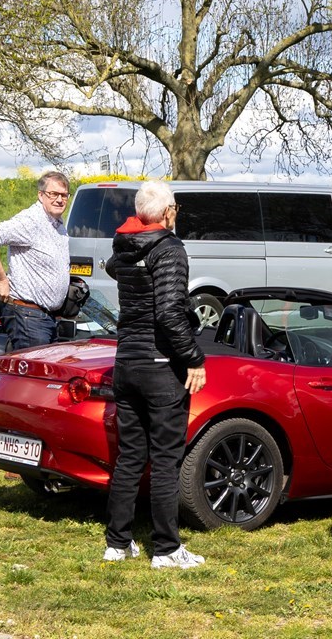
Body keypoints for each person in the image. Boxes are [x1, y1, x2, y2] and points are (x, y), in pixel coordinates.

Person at [102, 180, 207, 570]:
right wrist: (194, 358)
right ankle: (166, 549)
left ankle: (118, 543)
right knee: (165, 459)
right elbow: (169, 312)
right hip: (161, 366)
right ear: (167, 212)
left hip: (126, 362)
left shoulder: (124, 245)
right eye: (175, 207)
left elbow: (114, 267)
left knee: (130, 456)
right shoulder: (169, 248)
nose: (176, 213)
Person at [0, 171, 72, 349]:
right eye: (53, 194)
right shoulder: (30, 221)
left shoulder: (57, 223)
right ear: (41, 195)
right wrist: (1, 280)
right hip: (29, 318)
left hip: (47, 318)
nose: (59, 200)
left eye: (64, 195)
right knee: (33, 367)